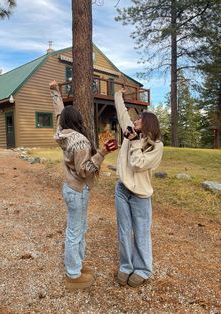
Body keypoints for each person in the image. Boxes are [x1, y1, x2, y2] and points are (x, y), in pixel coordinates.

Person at [49, 80, 116, 290]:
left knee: (79, 228)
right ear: (78, 119)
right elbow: (84, 169)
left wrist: (55, 93)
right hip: (77, 190)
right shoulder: (79, 141)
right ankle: (73, 275)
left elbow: (59, 114)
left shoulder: (62, 133)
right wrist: (102, 153)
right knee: (75, 231)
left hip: (71, 189)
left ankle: (77, 264)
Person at [114, 89, 163, 288]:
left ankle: (143, 269)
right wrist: (118, 96)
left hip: (141, 195)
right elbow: (121, 112)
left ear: (148, 123)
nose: (135, 121)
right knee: (124, 231)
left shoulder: (156, 146)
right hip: (122, 189)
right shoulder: (130, 133)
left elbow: (138, 164)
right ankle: (126, 266)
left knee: (141, 232)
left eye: (139, 119)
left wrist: (133, 142)